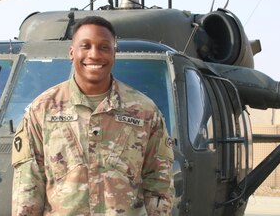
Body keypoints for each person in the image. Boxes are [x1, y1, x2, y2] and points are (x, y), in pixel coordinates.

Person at [12, 16, 174, 215]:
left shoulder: (145, 111)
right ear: (72, 52)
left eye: (104, 47)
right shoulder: (42, 109)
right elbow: (28, 185)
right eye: (85, 46)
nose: (94, 54)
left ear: (115, 53)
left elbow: (159, 181)